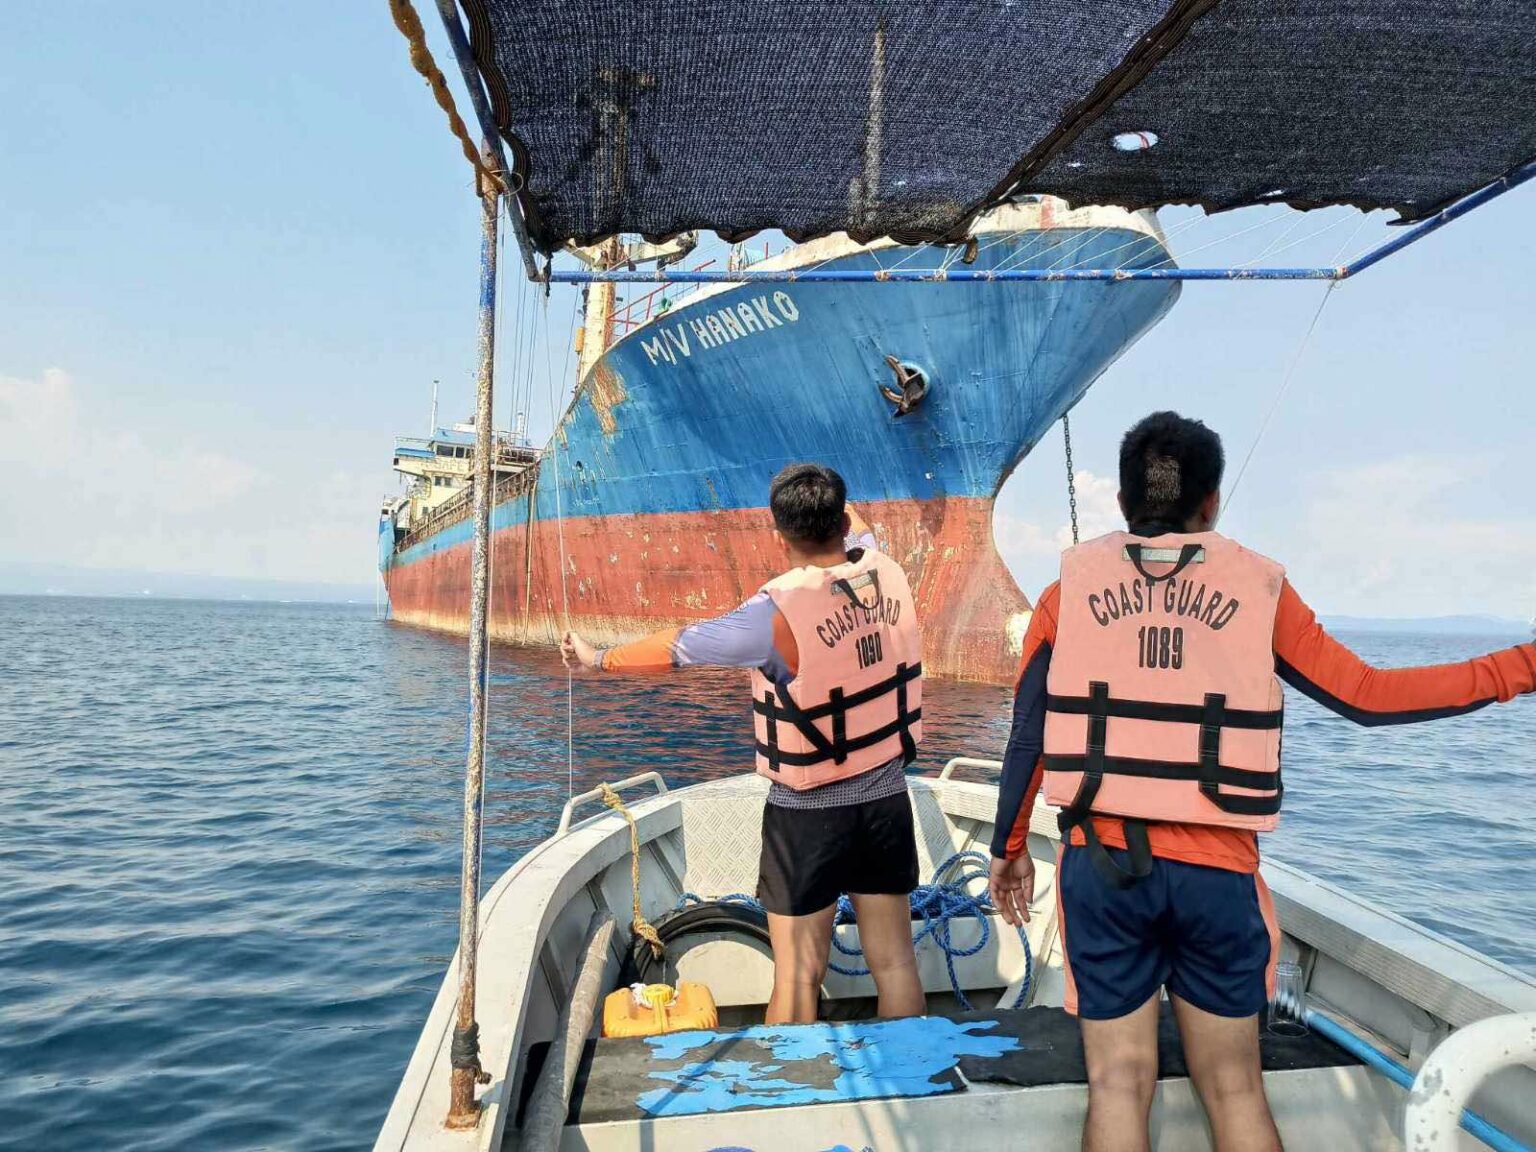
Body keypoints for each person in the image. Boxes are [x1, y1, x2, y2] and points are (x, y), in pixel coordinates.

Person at [987, 411, 1536, 1152]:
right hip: (1217, 877)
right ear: (1211, 504)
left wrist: (1008, 847)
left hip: (1102, 866)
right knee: (1235, 1088)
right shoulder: (1262, 590)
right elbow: (1369, 697)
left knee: (1118, 1082)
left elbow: (1028, 736)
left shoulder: (1064, 595)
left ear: (1121, 504)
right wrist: (1520, 667)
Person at [563, 463, 927, 1024]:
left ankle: (794, 1098)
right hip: (885, 799)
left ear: (777, 534)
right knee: (897, 963)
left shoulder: (771, 618)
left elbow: (676, 648)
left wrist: (597, 657)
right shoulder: (883, 568)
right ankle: (914, 1084)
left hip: (808, 814)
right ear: (839, 519)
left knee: (799, 974)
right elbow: (859, 528)